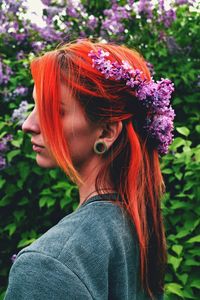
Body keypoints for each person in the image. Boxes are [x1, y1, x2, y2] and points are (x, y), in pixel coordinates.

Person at [4, 38, 175, 300]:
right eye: (36, 106)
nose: (28, 124)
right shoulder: (137, 228)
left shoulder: (50, 265)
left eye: (53, 110)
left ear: (106, 132)